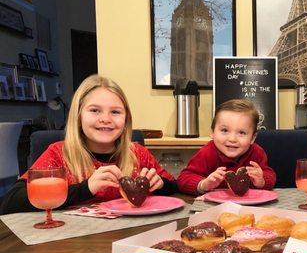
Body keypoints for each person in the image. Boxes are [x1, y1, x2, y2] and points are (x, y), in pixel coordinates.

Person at [0, 74, 177, 214]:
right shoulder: (59, 154)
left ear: (126, 120)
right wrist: (86, 188)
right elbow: (11, 201)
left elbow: (175, 186)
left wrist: (161, 184)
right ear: (78, 117)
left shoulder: (137, 153)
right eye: (94, 110)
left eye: (115, 112)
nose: (105, 119)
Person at [177, 99, 276, 195]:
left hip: (249, 204)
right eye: (224, 130)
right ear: (212, 132)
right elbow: (183, 179)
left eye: (241, 133)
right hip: (214, 207)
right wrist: (203, 184)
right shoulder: (207, 153)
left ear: (252, 138)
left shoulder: (257, 152)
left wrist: (262, 181)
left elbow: (269, 175)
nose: (232, 139)